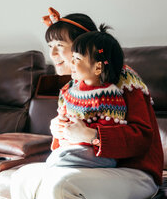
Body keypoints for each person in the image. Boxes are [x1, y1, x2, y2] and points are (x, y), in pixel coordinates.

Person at [10, 8, 163, 199]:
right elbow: (68, 150)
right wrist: (59, 132)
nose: (52, 54)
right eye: (50, 47)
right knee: (22, 178)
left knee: (61, 187)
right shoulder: (70, 89)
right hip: (88, 167)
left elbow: (142, 139)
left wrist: (93, 135)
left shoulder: (124, 79)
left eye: (60, 46)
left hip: (133, 171)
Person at [47, 24, 127, 169]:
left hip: (97, 154)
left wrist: (87, 133)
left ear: (97, 67)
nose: (71, 62)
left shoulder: (109, 95)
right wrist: (60, 126)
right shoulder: (69, 90)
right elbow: (64, 115)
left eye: (76, 58)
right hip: (72, 148)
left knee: (60, 158)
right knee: (57, 157)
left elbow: (110, 127)